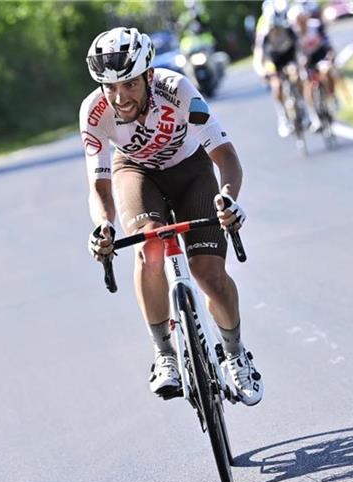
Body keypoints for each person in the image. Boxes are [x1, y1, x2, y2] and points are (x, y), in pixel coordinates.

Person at [80, 27, 263, 406]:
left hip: (190, 169)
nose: (119, 97)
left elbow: (226, 158)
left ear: (148, 74)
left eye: (128, 84)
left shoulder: (177, 89)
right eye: (108, 87)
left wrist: (228, 200)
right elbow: (100, 188)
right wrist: (103, 226)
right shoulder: (94, 112)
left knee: (209, 275)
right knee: (149, 249)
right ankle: (165, 354)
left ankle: (235, 353)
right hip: (136, 172)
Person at [253, 1, 316, 136]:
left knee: (297, 76)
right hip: (273, 59)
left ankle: (303, 107)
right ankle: (282, 117)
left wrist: (302, 61)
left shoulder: (289, 29)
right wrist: (261, 70)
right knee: (276, 85)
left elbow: (300, 48)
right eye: (273, 28)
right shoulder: (264, 34)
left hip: (289, 56)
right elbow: (259, 56)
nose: (275, 30)